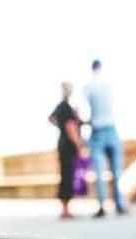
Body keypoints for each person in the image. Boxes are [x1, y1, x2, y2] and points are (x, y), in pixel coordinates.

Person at [83, 59, 127, 217]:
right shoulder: (110, 85)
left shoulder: (89, 86)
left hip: (98, 130)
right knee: (116, 171)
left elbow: (83, 111)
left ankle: (102, 205)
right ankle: (119, 205)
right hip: (112, 128)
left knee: (99, 172)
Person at [48, 82, 86, 219]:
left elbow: (50, 119)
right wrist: (79, 145)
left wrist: (60, 126)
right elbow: (71, 128)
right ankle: (65, 210)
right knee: (68, 176)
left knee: (64, 175)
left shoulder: (60, 107)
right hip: (68, 145)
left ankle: (65, 209)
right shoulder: (67, 107)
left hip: (61, 143)